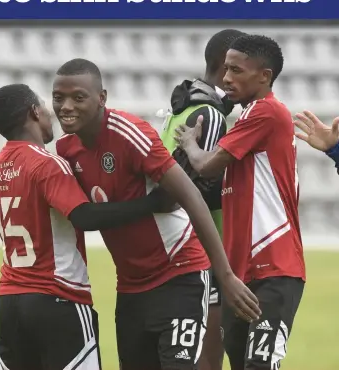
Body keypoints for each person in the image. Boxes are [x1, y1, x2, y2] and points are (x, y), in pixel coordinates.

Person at [53, 59, 260, 370]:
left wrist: (226, 276)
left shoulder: (128, 133)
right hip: (130, 287)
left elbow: (189, 196)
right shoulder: (67, 150)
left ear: (102, 98)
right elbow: (86, 216)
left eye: (78, 97)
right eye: (58, 98)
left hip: (179, 275)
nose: (66, 107)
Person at [0, 84, 179, 370]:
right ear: (34, 112)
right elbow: (84, 216)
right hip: (57, 298)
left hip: (10, 301)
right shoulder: (48, 163)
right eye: (45, 107)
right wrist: (152, 203)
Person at [175, 35, 306, 370]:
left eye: (236, 70)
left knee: (260, 365)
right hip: (242, 271)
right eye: (226, 69)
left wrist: (190, 143)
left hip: (274, 267)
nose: (226, 78)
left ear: (264, 76)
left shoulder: (266, 112)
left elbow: (205, 165)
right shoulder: (251, 115)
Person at [160, 28, 246, 370]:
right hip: (201, 252)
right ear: (222, 64)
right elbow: (197, 187)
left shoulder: (186, 106)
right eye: (240, 66)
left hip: (173, 249)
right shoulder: (208, 114)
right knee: (208, 360)